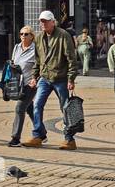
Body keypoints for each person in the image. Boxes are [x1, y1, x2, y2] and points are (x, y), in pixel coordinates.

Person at [24, 9, 79, 151]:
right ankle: (38, 135)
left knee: (65, 108)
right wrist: (34, 77)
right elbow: (38, 60)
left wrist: (71, 78)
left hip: (60, 78)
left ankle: (69, 139)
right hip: (44, 78)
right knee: (37, 105)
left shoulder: (63, 36)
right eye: (41, 22)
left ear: (53, 22)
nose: (42, 24)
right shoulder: (38, 38)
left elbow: (72, 59)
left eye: (45, 21)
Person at [8, 25, 38, 147]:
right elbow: (13, 63)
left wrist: (35, 78)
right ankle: (42, 133)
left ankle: (15, 138)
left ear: (32, 36)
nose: (23, 36)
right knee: (30, 109)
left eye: (26, 34)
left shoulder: (35, 50)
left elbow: (40, 65)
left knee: (19, 108)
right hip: (18, 84)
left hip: (30, 84)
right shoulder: (17, 47)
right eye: (21, 34)